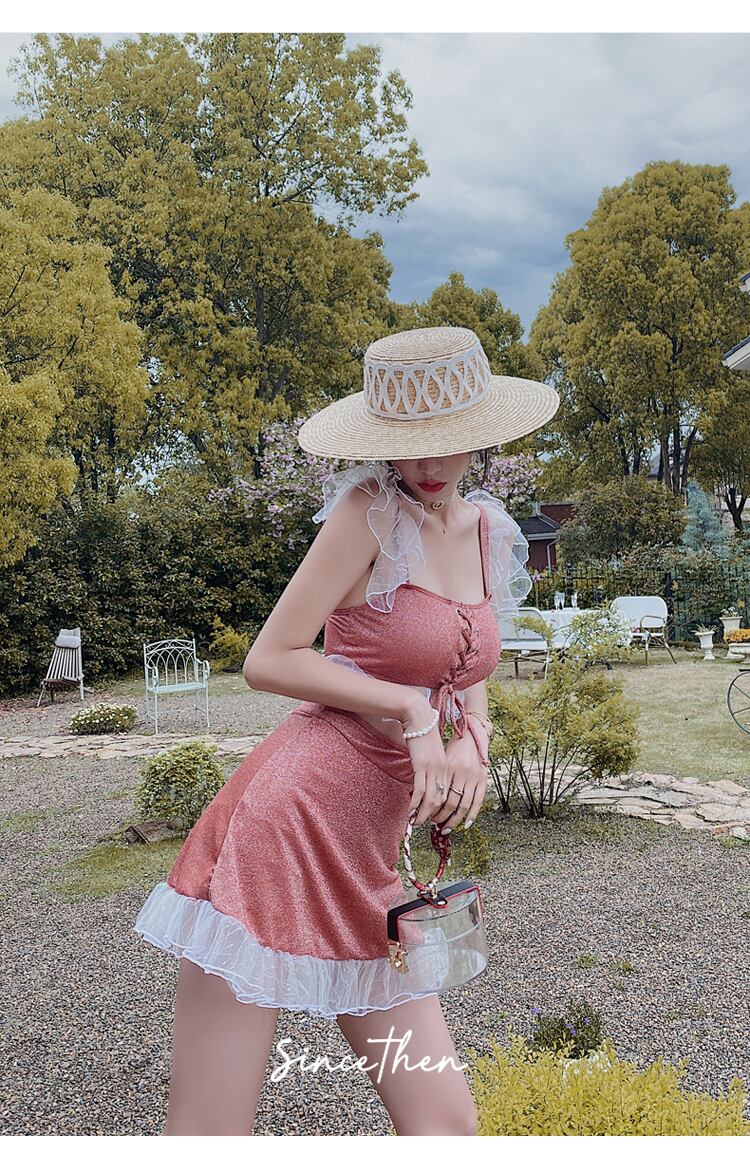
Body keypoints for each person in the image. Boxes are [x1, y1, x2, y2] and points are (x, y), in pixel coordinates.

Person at [133, 325, 559, 1135]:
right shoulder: (367, 514)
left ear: (481, 432)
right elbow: (269, 658)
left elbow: (469, 673)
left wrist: (473, 739)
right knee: (208, 1134)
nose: (427, 463)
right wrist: (409, 711)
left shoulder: (488, 530)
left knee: (447, 1130)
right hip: (288, 830)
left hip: (373, 856)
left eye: (448, 439)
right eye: (408, 441)